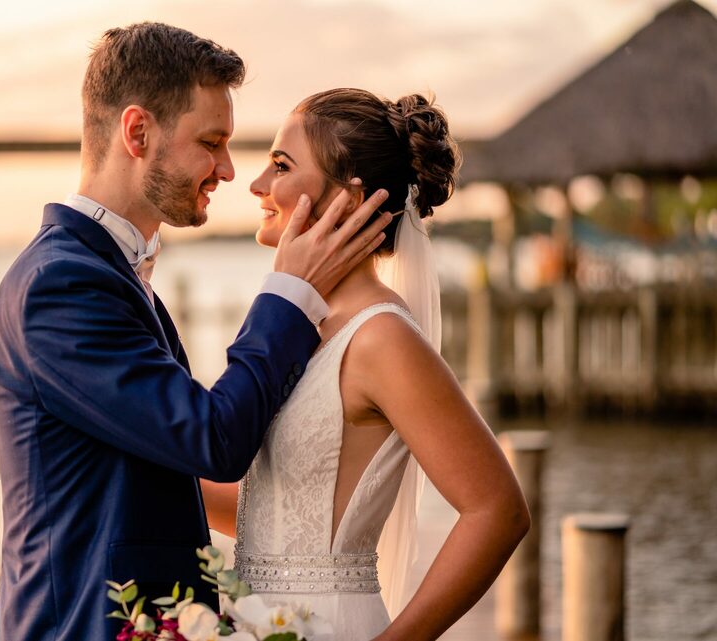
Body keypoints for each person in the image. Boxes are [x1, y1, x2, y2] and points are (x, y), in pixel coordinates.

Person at [0, 25, 393, 641]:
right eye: (211, 142)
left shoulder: (110, 273)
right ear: (138, 132)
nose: (229, 170)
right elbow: (211, 440)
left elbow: (166, 470)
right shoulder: (60, 285)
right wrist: (289, 293)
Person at [201, 89, 530, 641]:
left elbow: (497, 510)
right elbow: (277, 511)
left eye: (281, 166)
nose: (256, 185)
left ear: (350, 198)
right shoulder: (294, 328)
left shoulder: (381, 338)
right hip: (254, 620)